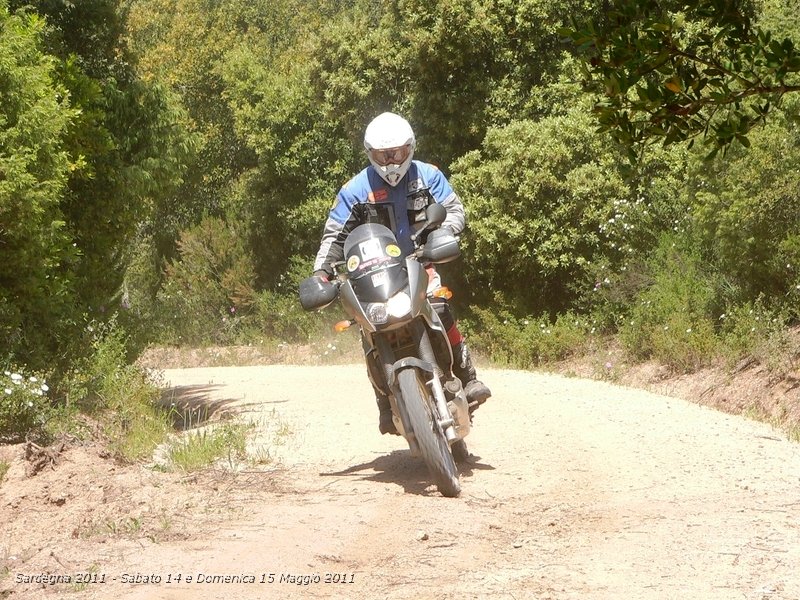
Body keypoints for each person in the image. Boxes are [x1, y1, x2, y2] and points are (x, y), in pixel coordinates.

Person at [312, 111, 491, 435]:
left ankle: (467, 375)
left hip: (419, 262)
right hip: (372, 272)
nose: (391, 160)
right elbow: (334, 236)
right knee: (368, 328)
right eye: (384, 154)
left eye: (397, 152)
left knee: (439, 305)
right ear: (370, 153)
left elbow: (453, 209)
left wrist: (444, 233)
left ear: (410, 147)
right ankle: (385, 403)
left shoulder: (429, 175)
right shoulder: (354, 190)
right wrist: (321, 273)